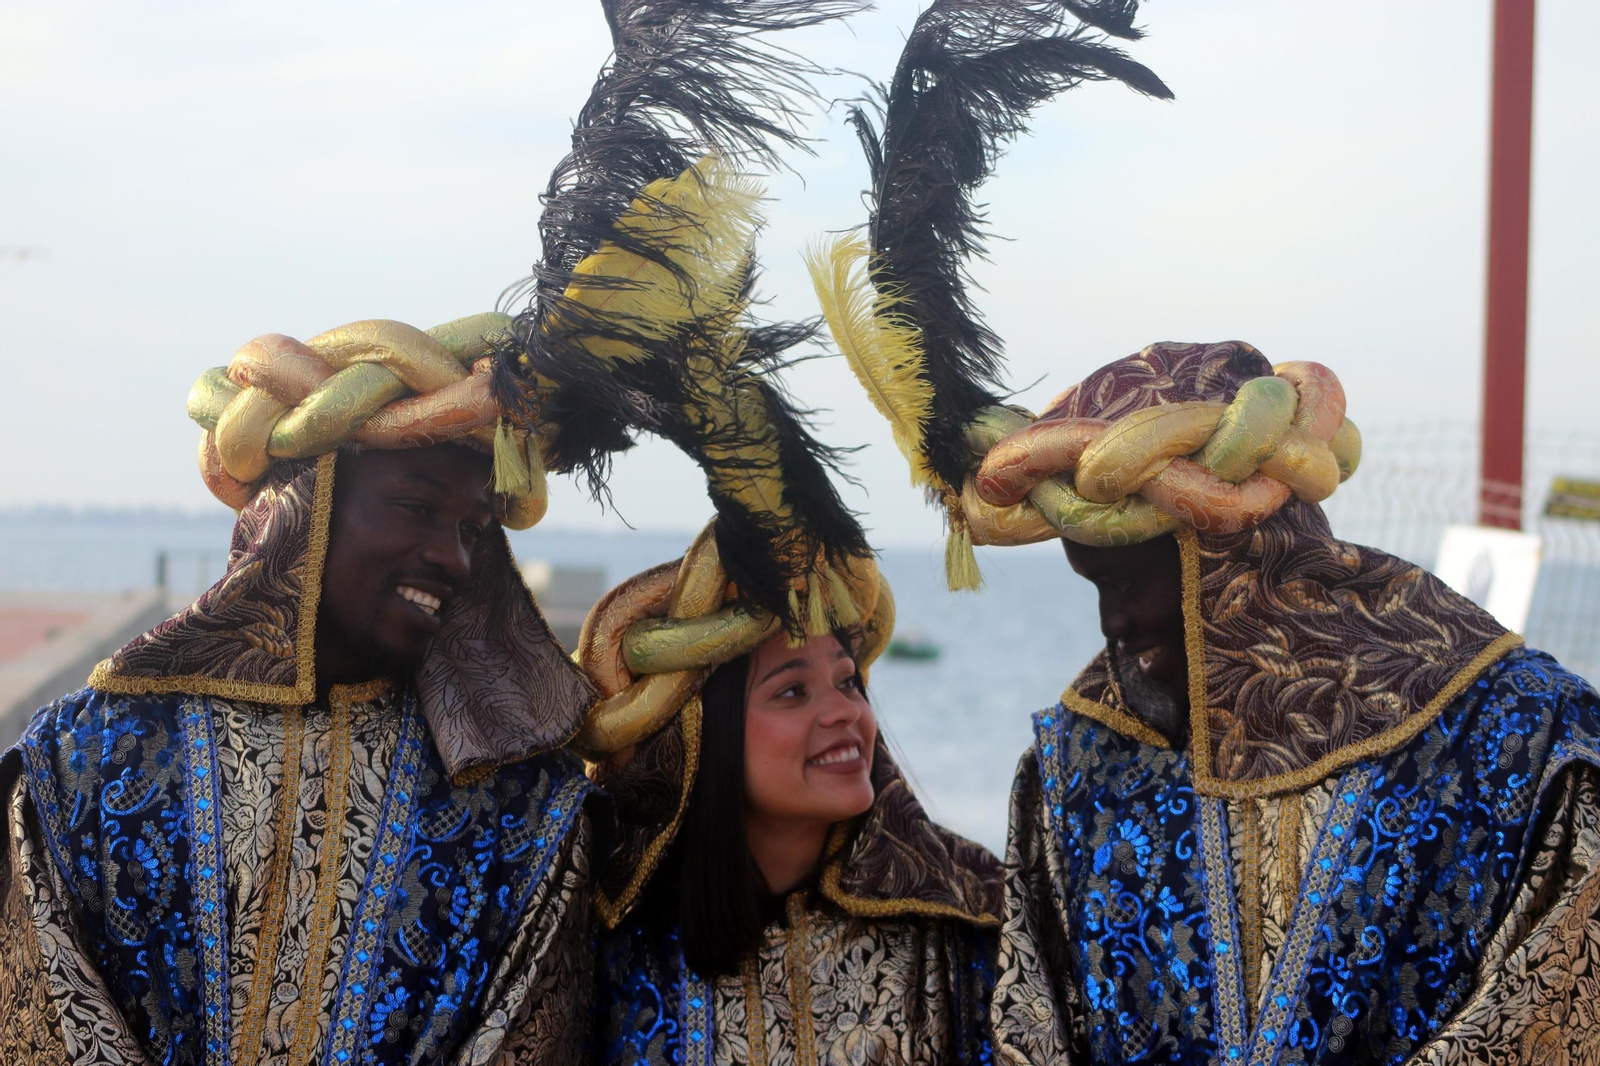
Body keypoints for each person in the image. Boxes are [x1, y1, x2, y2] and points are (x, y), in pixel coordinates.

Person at [0, 314, 601, 1066]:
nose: (451, 557)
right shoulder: (81, 765)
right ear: (304, 508)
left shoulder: (524, 814)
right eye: (416, 509)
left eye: (474, 530)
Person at [575, 528, 1001, 1066]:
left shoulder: (977, 915)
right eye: (792, 690)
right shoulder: (601, 944)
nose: (846, 711)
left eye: (848, 682)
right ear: (701, 732)